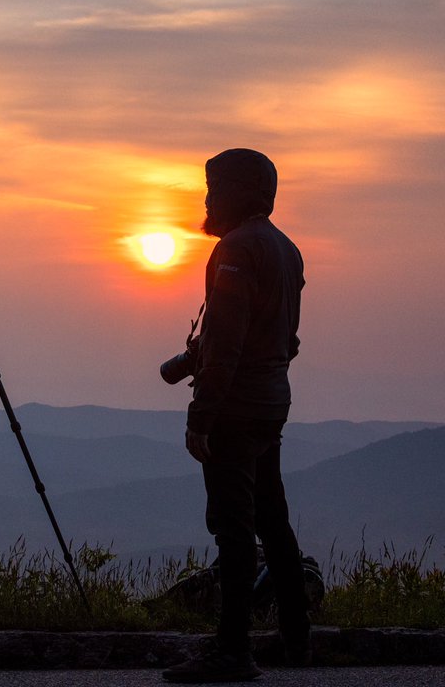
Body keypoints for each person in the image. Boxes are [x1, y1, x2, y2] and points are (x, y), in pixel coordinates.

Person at [163, 148, 312, 683]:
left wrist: (201, 417)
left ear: (240, 191)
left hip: (234, 410)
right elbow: (286, 340)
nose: (206, 198)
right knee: (273, 521)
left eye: (213, 187)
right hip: (271, 405)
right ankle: (297, 640)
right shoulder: (286, 249)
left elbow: (225, 345)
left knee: (233, 528)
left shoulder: (234, 250)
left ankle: (232, 651)